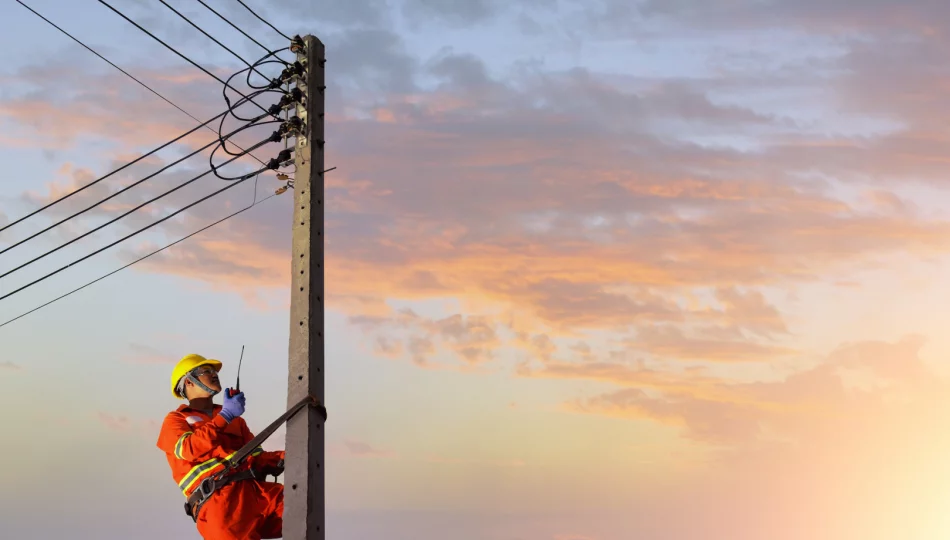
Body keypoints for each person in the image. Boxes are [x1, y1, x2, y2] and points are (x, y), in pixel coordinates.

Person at [156, 353, 285, 540]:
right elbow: (188, 449)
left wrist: (290, 455)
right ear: (188, 382)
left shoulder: (235, 420)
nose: (214, 374)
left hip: (256, 493)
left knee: (301, 503)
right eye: (205, 370)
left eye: (214, 370)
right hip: (220, 504)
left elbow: (256, 457)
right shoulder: (176, 420)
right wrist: (224, 417)